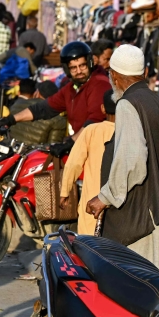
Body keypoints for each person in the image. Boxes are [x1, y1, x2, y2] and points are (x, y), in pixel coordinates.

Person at [84, 45, 159, 269]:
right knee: (157, 282)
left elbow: (132, 159)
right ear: (144, 73)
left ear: (114, 76)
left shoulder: (127, 104)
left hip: (139, 215)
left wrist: (105, 197)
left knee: (138, 285)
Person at [0, 42, 111, 140]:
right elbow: (44, 108)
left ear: (90, 63)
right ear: (67, 69)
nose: (79, 71)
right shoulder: (72, 88)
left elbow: (94, 121)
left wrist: (72, 141)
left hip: (99, 146)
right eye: (73, 68)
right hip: (83, 143)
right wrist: (12, 119)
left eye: (82, 66)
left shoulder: (99, 83)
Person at [60, 90, 116, 236]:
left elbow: (73, 164)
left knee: (89, 247)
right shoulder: (128, 131)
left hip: (91, 203)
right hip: (117, 201)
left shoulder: (91, 131)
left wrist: (64, 191)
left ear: (103, 108)